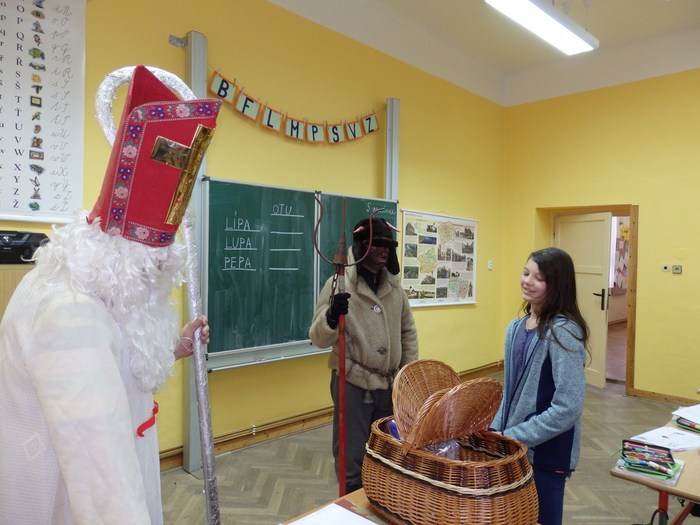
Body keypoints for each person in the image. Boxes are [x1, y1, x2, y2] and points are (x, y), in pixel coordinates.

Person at [0, 65, 221, 524]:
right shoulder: (70, 315)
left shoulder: (90, 282)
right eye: (151, 267)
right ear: (121, 257)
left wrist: (173, 347)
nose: (157, 280)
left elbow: (113, 354)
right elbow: (103, 482)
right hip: (66, 501)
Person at [309, 217, 419, 494]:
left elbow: (408, 332)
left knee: (387, 448)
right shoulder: (339, 285)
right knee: (352, 455)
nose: (383, 251)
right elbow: (318, 338)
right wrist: (331, 316)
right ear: (360, 247)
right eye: (376, 245)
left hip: (389, 385)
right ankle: (350, 504)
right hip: (353, 383)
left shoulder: (395, 288)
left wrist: (406, 378)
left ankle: (381, 497)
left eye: (387, 246)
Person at [491, 247, 590, 525]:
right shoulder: (515, 327)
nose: (527, 281)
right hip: (513, 448)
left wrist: (516, 437)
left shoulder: (564, 332)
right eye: (526, 273)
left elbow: (568, 407)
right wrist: (496, 432)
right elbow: (510, 390)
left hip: (547, 454)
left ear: (557, 284)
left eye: (539, 278)